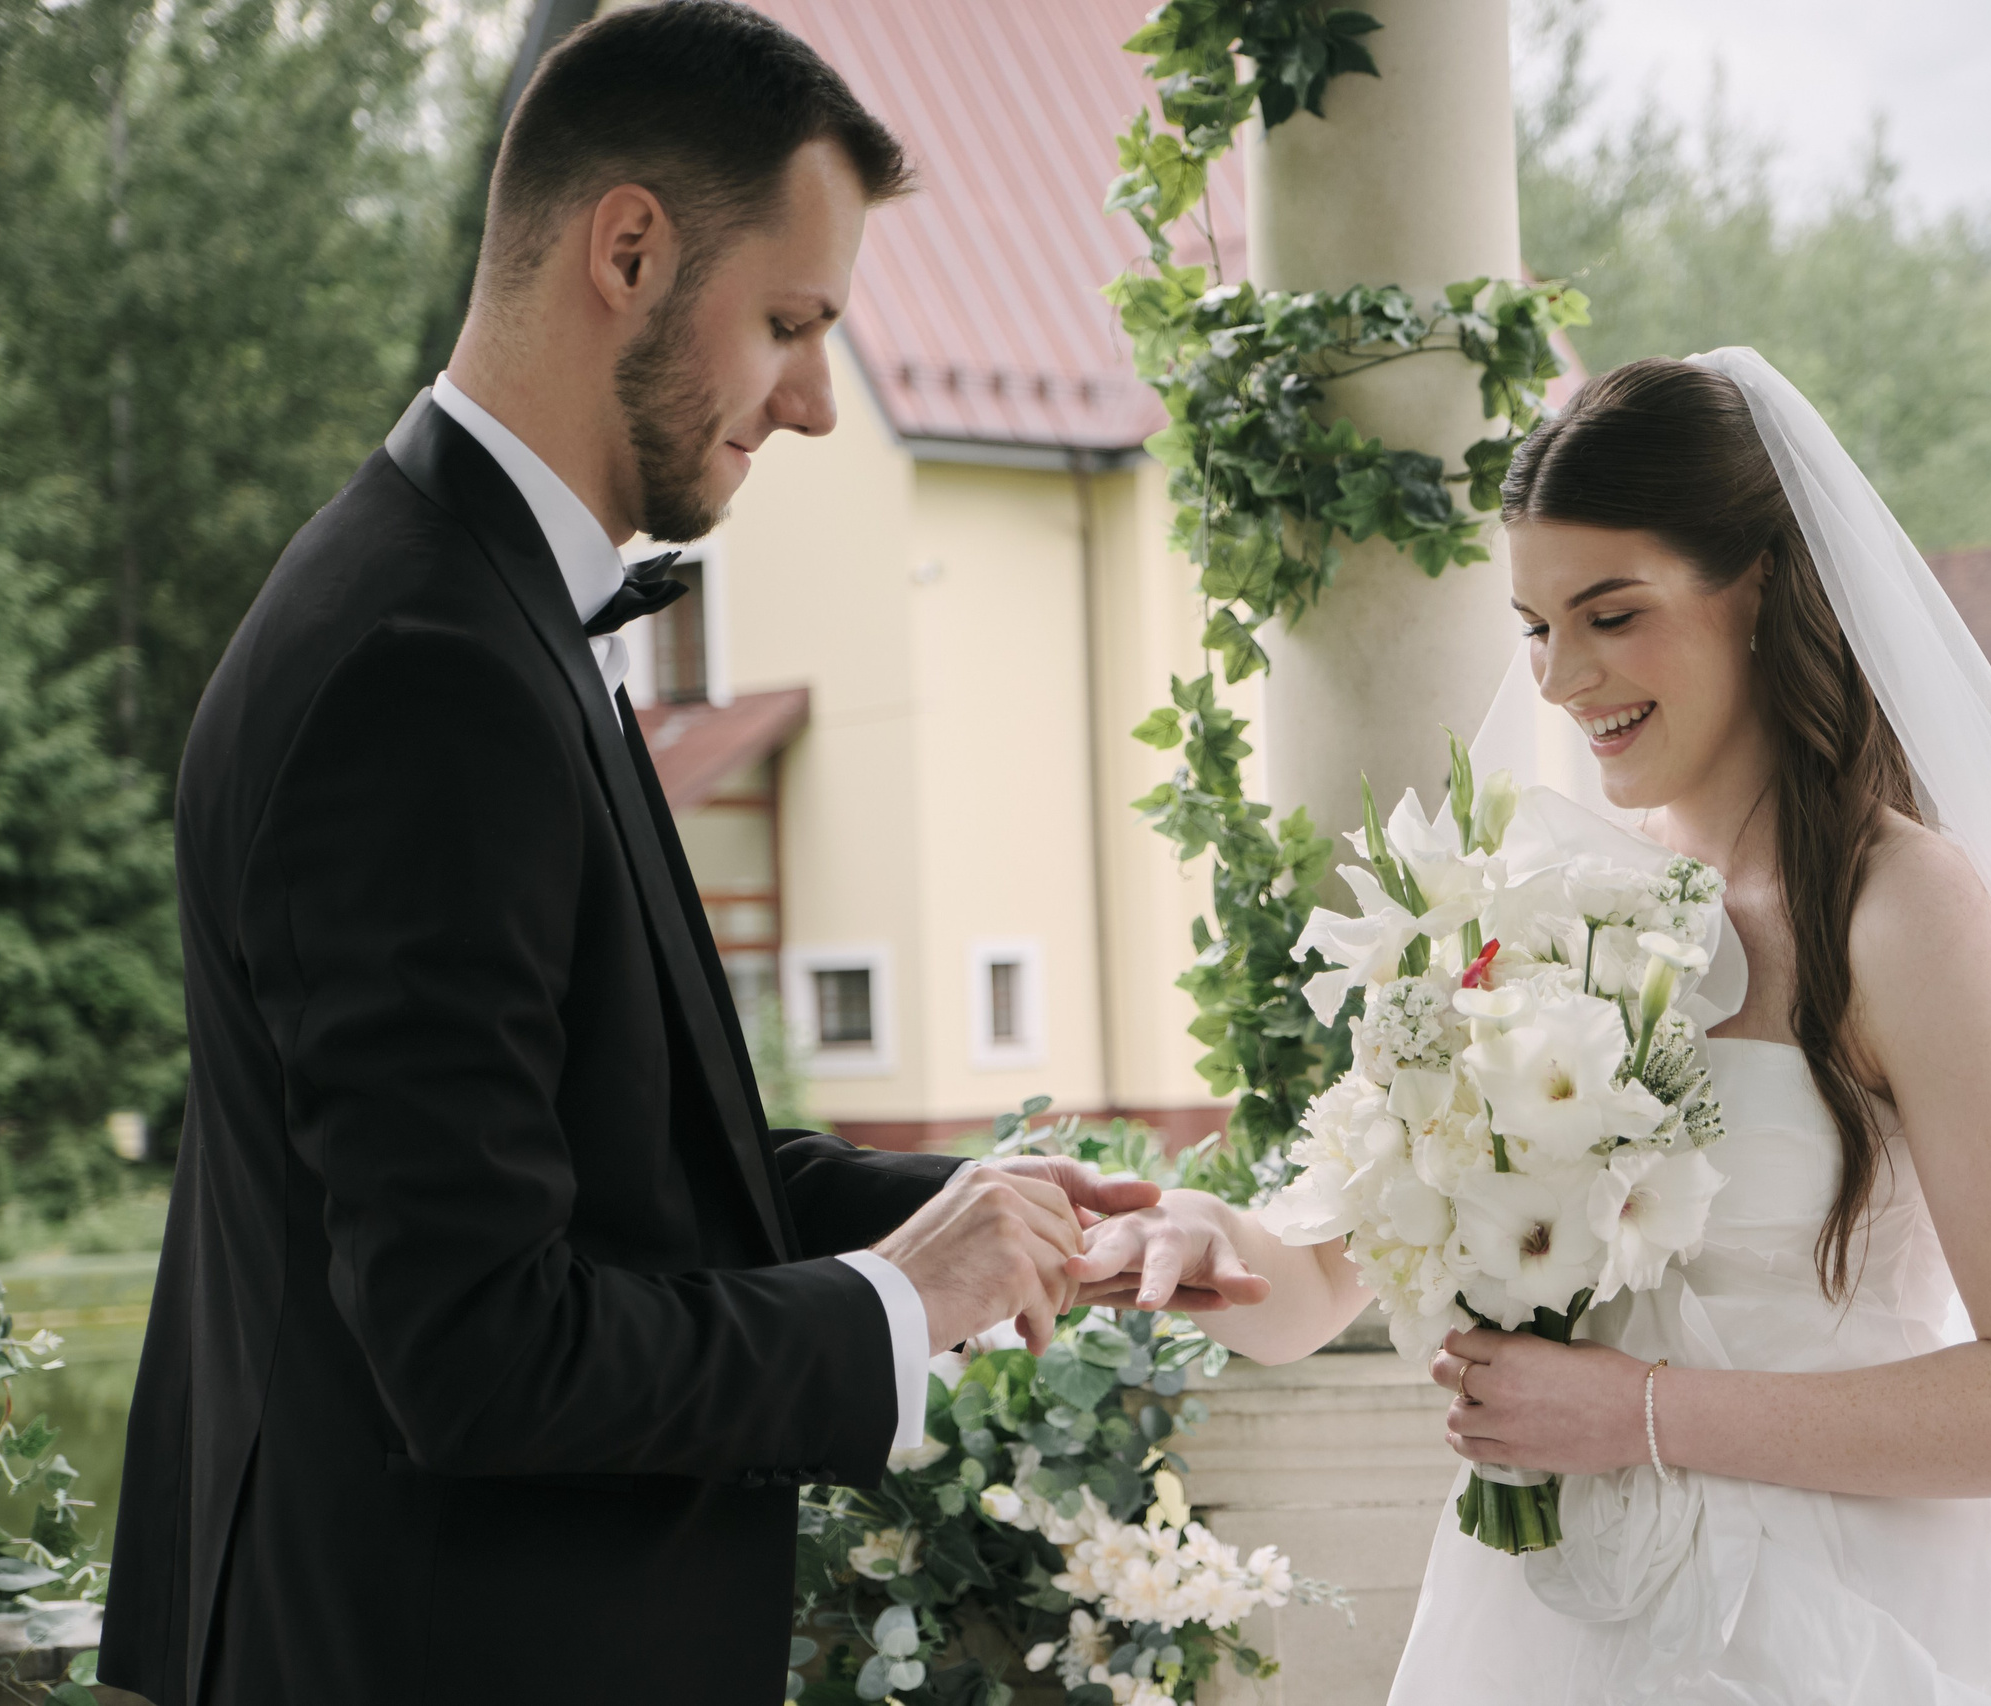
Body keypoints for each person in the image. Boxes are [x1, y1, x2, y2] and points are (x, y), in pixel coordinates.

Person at [97, 7, 1219, 1701]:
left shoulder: (481, 610)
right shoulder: (426, 666)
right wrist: (888, 1306)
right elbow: (478, 1349)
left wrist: (995, 1219)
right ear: (629, 247)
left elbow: (630, 1163)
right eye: (789, 321)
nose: (820, 403)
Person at [1071, 353, 1991, 1700]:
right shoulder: (1535, 911)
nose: (1563, 677)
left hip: (1848, 1632)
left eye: (1611, 613)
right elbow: (1319, 1289)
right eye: (1535, 624)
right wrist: (1203, 1240)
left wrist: (1635, 1414)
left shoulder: (1900, 910)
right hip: (1558, 1631)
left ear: (1759, 586)